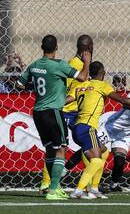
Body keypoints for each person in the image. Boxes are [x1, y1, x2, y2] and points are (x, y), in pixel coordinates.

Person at [67, 62, 130, 199]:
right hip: (103, 128)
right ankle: (78, 189)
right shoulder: (103, 86)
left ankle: (97, 187)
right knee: (97, 159)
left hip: (114, 133)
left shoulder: (81, 86)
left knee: (106, 155)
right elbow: (124, 101)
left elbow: (66, 101)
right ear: (103, 73)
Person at [16, 35, 91, 200]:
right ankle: (53, 189)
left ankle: (52, 186)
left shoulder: (34, 65)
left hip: (37, 112)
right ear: (56, 48)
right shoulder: (59, 65)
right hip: (53, 111)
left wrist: (35, 84)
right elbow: (83, 77)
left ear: (42, 47)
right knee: (62, 148)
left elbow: (19, 85)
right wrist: (87, 62)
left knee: (50, 148)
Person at [39, 34, 94, 194]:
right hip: (67, 111)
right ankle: (46, 183)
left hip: (79, 111)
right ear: (89, 47)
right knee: (56, 147)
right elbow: (65, 90)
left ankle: (87, 185)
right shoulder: (74, 64)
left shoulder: (83, 64)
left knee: (87, 145)